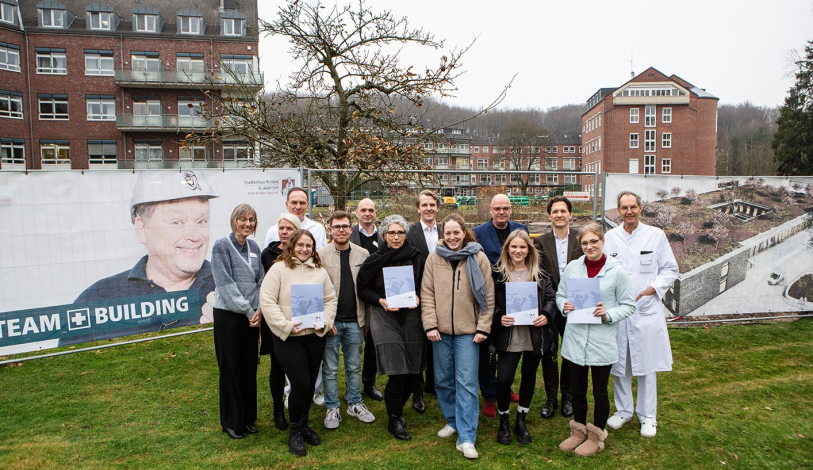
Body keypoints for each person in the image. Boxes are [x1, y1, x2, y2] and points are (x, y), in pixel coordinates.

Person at [76, 171, 217, 326]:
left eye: (202, 221)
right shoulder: (96, 301)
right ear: (141, 229)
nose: (195, 236)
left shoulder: (231, 288)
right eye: (177, 222)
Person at [603, 191, 679, 438]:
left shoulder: (655, 236)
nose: (629, 212)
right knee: (620, 364)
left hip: (645, 309)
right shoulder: (610, 238)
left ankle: (648, 417)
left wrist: (653, 289)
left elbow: (670, 269)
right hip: (619, 310)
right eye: (624, 208)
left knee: (646, 365)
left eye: (633, 207)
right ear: (618, 211)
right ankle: (623, 410)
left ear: (640, 208)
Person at [556, 223, 635, 457]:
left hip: (601, 339)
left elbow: (629, 305)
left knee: (600, 391)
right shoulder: (573, 268)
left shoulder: (616, 271)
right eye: (584, 243)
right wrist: (564, 306)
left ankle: (597, 435)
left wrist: (607, 314)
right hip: (575, 338)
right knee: (577, 390)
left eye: (593, 241)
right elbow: (560, 295)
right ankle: (578, 431)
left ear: (602, 241)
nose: (589, 246)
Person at [422, 214, 495, 460]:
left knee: (466, 382)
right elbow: (427, 293)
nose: (452, 237)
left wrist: (483, 327)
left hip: (469, 332)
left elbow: (488, 295)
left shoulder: (478, 257)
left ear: (464, 233)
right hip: (440, 331)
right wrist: (430, 325)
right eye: (448, 233)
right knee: (443, 380)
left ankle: (466, 437)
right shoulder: (434, 258)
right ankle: (453, 420)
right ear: (443, 234)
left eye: (457, 232)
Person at [260, 229, 337, 457]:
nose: (304, 249)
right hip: (288, 337)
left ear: (313, 248)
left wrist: (325, 321)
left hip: (314, 336)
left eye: (309, 246)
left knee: (310, 383)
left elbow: (330, 299)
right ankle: (294, 430)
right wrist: (285, 325)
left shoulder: (320, 271)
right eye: (300, 245)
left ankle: (303, 424)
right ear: (292, 245)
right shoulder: (278, 269)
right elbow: (267, 301)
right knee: (300, 383)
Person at [357, 215, 426, 442]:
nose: (396, 237)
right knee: (397, 372)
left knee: (412, 372)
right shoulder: (374, 260)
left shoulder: (416, 257)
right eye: (391, 233)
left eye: (400, 233)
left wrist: (419, 296)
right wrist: (380, 300)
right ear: (384, 235)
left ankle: (396, 408)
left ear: (405, 234)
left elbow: (426, 284)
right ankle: (394, 419)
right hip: (384, 316)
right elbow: (362, 288)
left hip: (412, 316)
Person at [492, 230, 557, 445]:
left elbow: (551, 298)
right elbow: (490, 303)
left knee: (529, 378)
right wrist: (499, 317)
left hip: (533, 335)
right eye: (514, 246)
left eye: (522, 247)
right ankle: (503, 419)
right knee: (503, 380)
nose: (518, 250)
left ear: (529, 249)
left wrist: (546, 315)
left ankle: (521, 419)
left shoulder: (540, 273)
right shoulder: (498, 274)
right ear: (507, 249)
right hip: (509, 335)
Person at [317, 211, 376, 429]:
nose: (341, 230)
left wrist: (367, 320)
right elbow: (316, 290)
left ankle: (355, 403)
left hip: (355, 321)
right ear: (330, 230)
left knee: (354, 366)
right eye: (336, 226)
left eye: (345, 226)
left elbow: (367, 288)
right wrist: (325, 320)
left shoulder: (363, 254)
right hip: (331, 322)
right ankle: (332, 407)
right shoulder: (320, 255)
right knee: (330, 368)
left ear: (351, 229)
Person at [471, 194, 528, 418]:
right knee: (487, 350)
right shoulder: (478, 233)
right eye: (497, 208)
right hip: (487, 297)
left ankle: (504, 386)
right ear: (491, 210)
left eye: (505, 208)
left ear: (511, 209)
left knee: (508, 347)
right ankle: (489, 395)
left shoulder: (521, 229)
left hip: (514, 298)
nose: (501, 212)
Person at [211, 204, 264, 440]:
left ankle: (248, 418)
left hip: (252, 317)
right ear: (234, 220)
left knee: (249, 366)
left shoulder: (254, 247)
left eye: (251, 220)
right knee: (231, 368)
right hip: (229, 316)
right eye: (243, 219)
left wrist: (259, 308)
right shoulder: (221, 246)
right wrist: (248, 310)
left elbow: (261, 280)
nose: (247, 224)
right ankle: (232, 421)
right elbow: (225, 285)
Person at [532, 196, 583, 419]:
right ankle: (551, 398)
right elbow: (539, 274)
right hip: (551, 306)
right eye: (555, 211)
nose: (559, 215)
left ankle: (568, 396)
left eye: (563, 211)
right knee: (549, 352)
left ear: (570, 214)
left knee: (571, 352)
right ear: (549, 216)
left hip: (575, 305)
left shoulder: (581, 239)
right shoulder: (540, 242)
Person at [259, 213, 301, 431]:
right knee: (277, 364)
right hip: (274, 319)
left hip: (299, 318)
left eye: (289, 228)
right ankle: (278, 409)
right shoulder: (267, 254)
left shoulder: (303, 252)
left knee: (297, 365)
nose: (284, 232)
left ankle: (298, 406)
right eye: (281, 228)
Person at [406, 189, 442, 411]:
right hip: (417, 296)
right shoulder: (409, 233)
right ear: (418, 209)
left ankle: (435, 383)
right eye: (424, 205)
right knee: (418, 344)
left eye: (432, 205)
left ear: (437, 208)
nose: (429, 208)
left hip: (443, 294)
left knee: (439, 340)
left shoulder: (447, 231)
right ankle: (417, 392)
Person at [349, 198, 385, 401]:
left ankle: (369, 383)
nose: (367, 213)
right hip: (353, 296)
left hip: (375, 299)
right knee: (352, 345)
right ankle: (351, 386)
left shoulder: (383, 238)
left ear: (375, 212)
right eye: (363, 210)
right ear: (357, 213)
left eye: (371, 209)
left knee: (372, 344)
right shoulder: (349, 235)